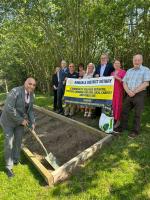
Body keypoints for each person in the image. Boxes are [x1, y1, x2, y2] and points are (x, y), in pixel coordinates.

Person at [0, 78, 36, 178]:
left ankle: (15, 159)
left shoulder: (32, 95)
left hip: (19, 122)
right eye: (30, 84)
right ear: (25, 83)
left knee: (18, 140)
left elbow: (30, 110)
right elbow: (9, 108)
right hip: (8, 122)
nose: (31, 86)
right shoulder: (15, 92)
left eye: (33, 85)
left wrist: (32, 121)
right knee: (9, 142)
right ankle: (8, 167)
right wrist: (21, 120)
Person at [114, 54, 150, 138]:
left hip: (139, 94)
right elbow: (124, 82)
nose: (136, 62)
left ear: (141, 61)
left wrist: (134, 91)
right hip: (129, 93)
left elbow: (146, 83)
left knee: (138, 113)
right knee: (124, 110)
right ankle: (122, 127)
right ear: (133, 61)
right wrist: (128, 91)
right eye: (135, 60)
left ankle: (135, 131)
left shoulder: (146, 69)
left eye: (138, 60)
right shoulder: (129, 70)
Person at [111, 59, 126, 128]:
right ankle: (114, 119)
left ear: (120, 65)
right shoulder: (112, 73)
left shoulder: (123, 72)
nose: (116, 64)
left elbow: (125, 82)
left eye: (118, 63)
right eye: (115, 63)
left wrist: (118, 78)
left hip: (119, 92)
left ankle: (118, 121)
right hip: (112, 92)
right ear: (113, 65)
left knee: (118, 106)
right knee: (113, 106)